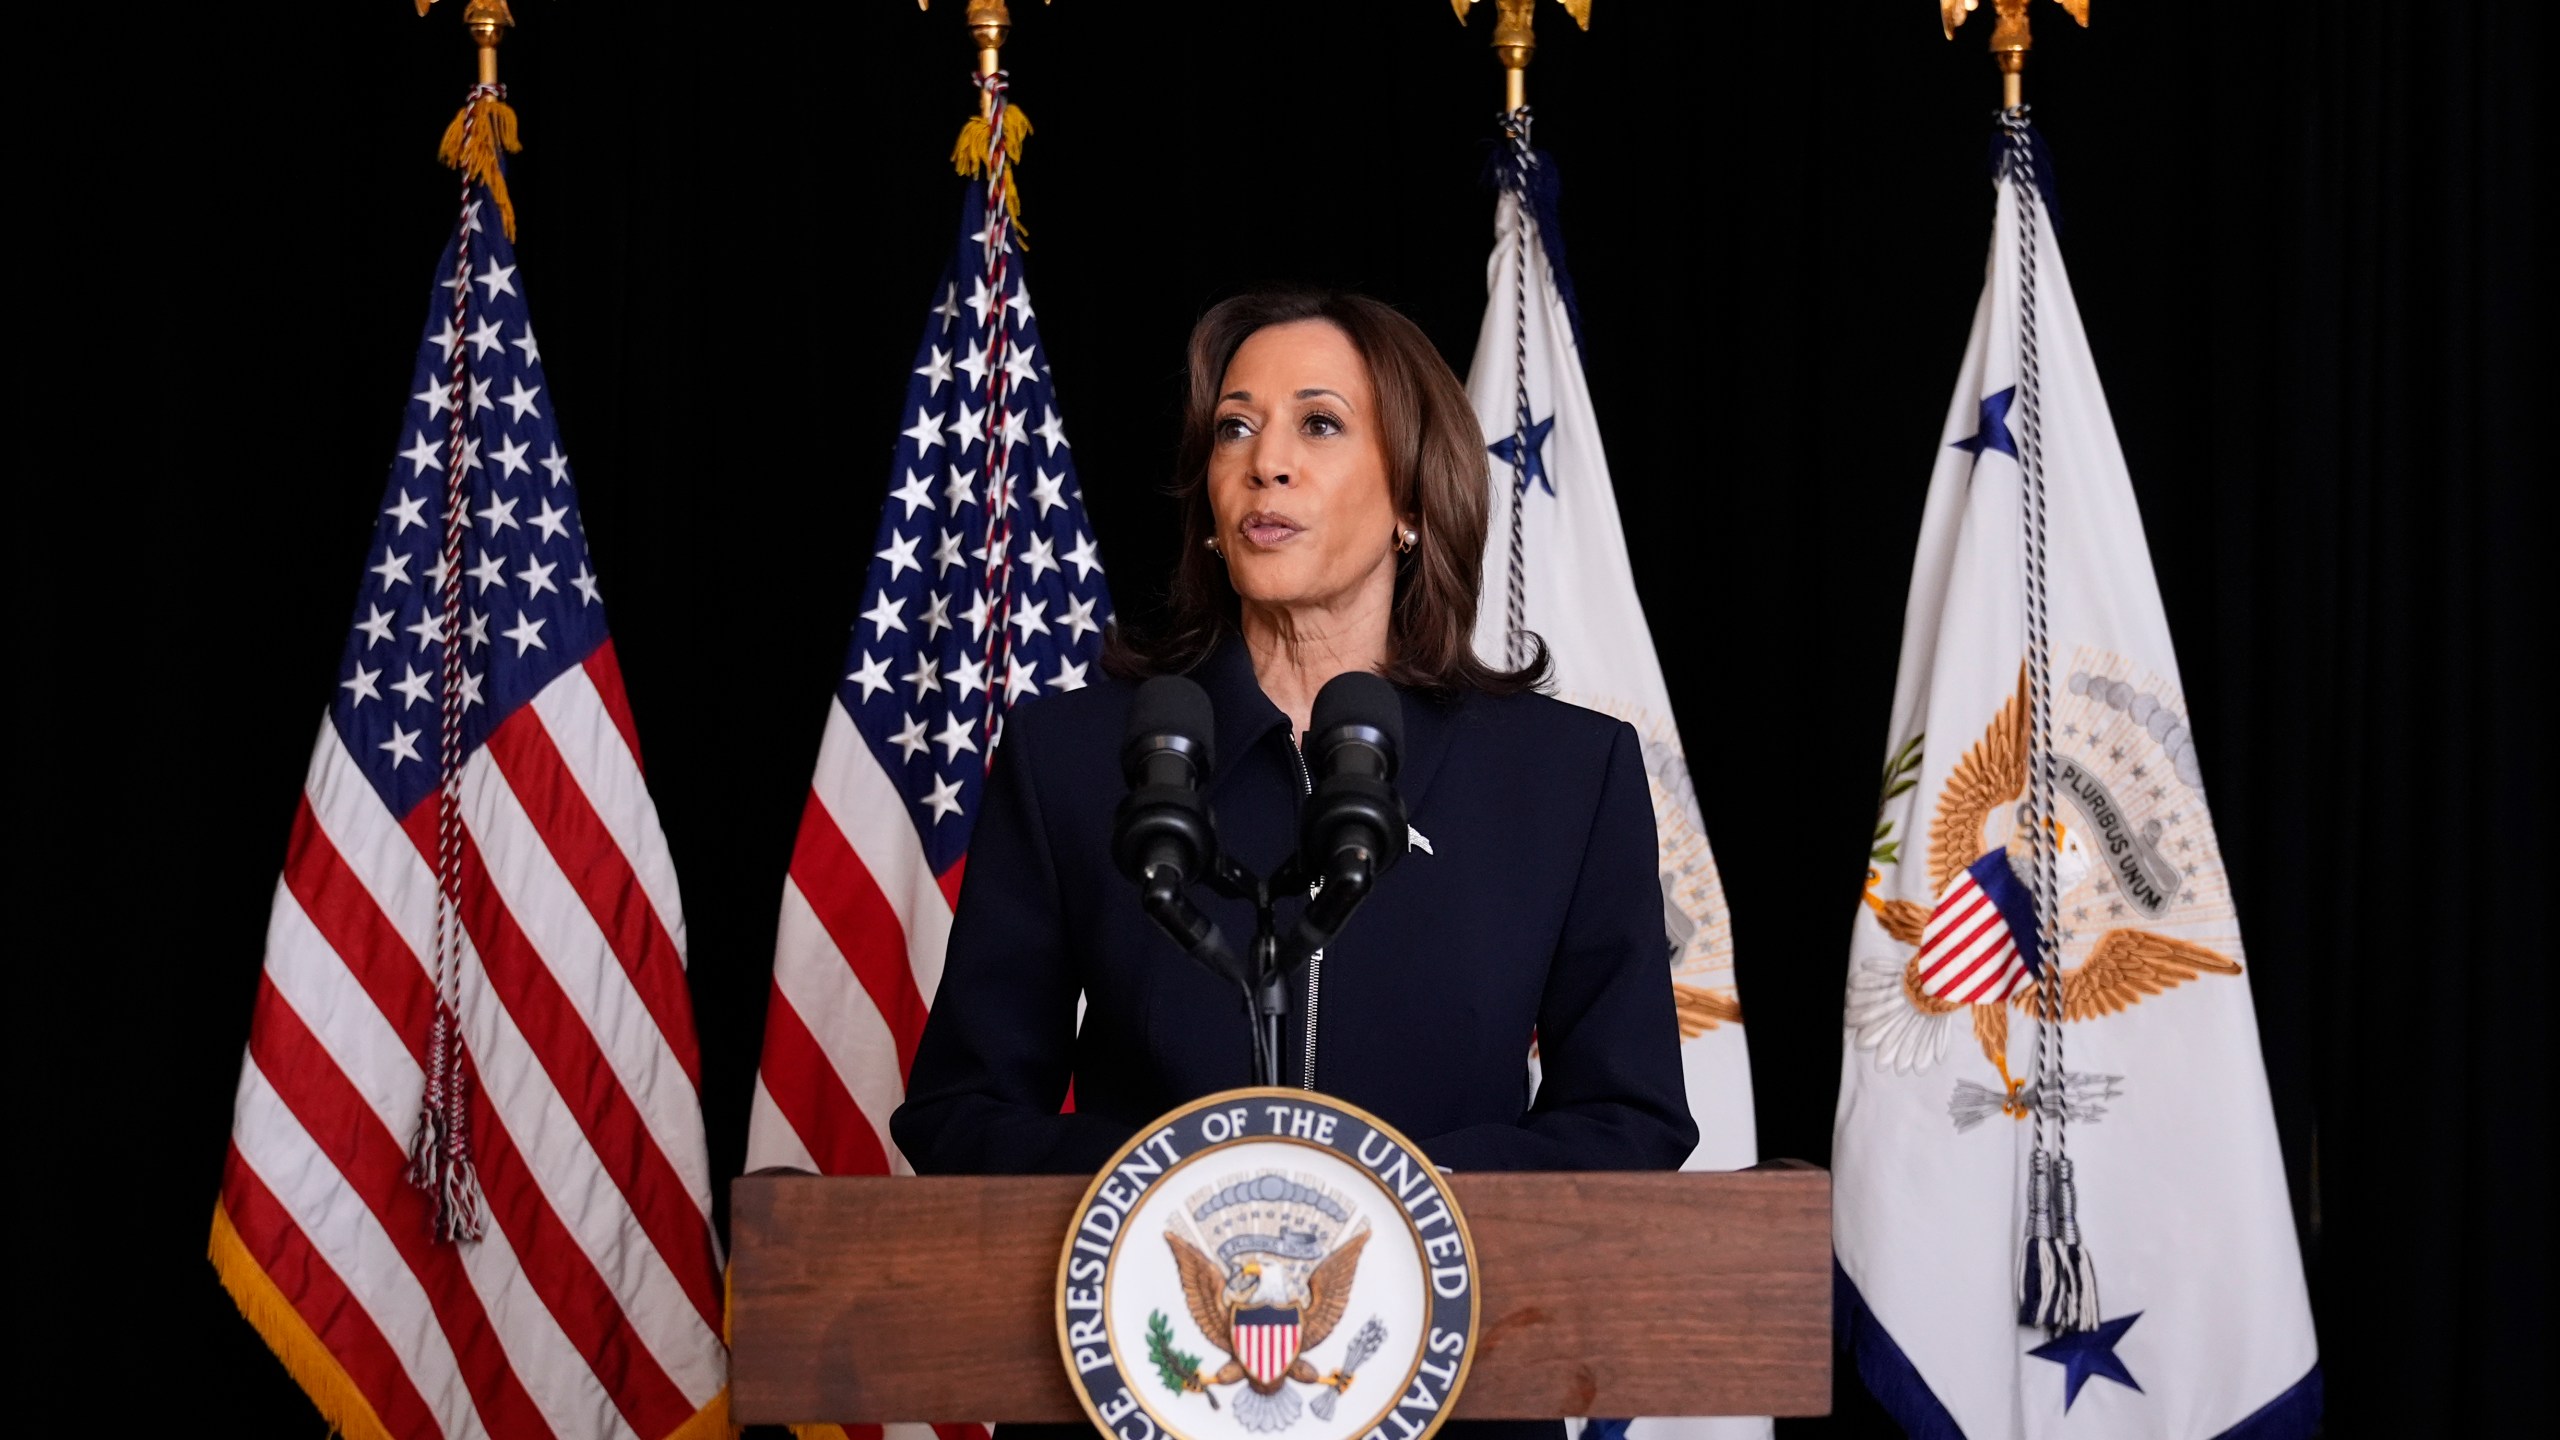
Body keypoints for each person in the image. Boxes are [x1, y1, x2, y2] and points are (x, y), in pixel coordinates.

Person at [891, 289, 1695, 1436]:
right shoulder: (1073, 759)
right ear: (1210, 507)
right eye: (1234, 427)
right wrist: (1168, 1196)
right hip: (1132, 1394)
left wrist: (1392, 1201)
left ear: (1415, 495)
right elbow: (962, 1110)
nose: (1266, 463)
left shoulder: (1566, 775)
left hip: (1459, 1391)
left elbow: (1628, 1121)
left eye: (1319, 424)